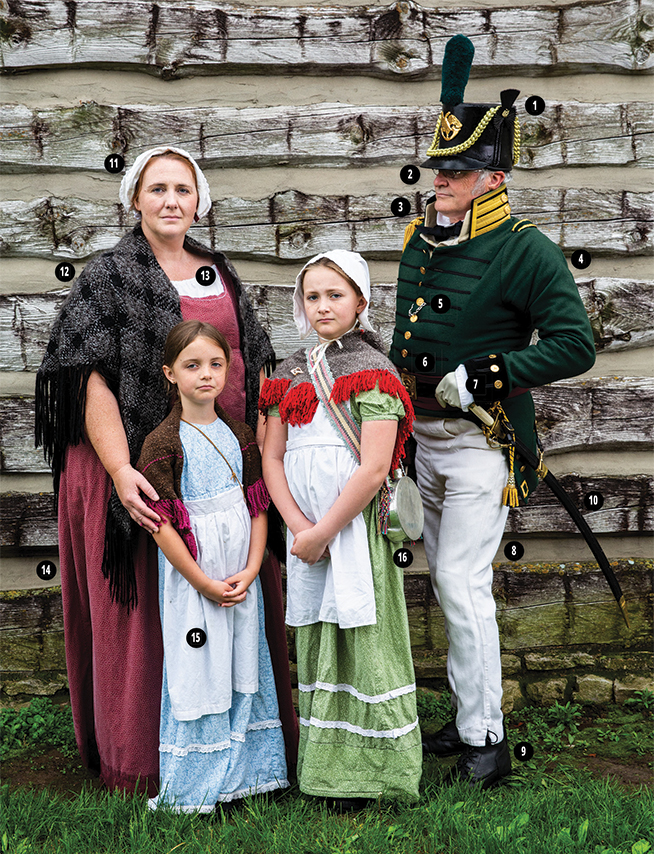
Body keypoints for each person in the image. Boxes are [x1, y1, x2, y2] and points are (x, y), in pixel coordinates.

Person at [35, 145, 297, 795]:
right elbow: (89, 380)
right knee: (150, 607)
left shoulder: (217, 271)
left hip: (222, 461)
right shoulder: (110, 276)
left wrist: (263, 454)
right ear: (135, 200)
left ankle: (240, 749)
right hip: (132, 458)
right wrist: (123, 469)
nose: (171, 200)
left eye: (183, 188)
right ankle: (148, 757)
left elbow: (255, 362)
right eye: (157, 189)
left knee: (231, 586)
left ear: (199, 201)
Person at [389, 35, 596, 788]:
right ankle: (469, 717)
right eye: (439, 166)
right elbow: (408, 333)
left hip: (484, 445)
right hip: (424, 440)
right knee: (446, 581)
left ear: (493, 176)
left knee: (461, 581)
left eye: (458, 170)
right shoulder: (419, 240)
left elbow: (577, 345)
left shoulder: (527, 250)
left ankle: (488, 740)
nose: (440, 178)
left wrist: (492, 370)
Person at [260, 250, 423, 809]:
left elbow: (374, 467)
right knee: (318, 642)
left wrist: (326, 529)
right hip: (306, 536)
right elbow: (272, 459)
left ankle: (378, 773)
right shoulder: (288, 373)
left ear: (361, 301)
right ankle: (326, 772)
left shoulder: (372, 370)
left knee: (364, 640)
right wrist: (298, 529)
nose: (323, 306)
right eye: (313, 296)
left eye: (336, 294)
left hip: (352, 531)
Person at [135, 320, 288, 812]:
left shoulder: (242, 435)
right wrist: (201, 581)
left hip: (241, 576)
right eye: (192, 365)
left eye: (216, 364)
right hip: (193, 578)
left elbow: (258, 506)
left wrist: (252, 566)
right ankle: (197, 782)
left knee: (244, 660)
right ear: (170, 374)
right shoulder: (163, 444)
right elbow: (162, 527)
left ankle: (247, 776)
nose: (206, 375)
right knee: (200, 665)